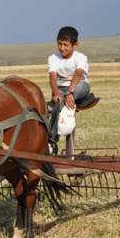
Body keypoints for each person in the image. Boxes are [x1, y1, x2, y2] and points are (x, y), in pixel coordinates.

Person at [47, 26, 92, 155]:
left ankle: (50, 139)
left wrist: (70, 93)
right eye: (59, 44)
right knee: (58, 102)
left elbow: (78, 74)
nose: (62, 48)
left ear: (75, 45)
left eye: (66, 45)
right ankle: (52, 139)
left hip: (78, 86)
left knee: (83, 86)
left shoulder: (80, 58)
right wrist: (56, 93)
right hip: (60, 88)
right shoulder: (53, 58)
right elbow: (52, 77)